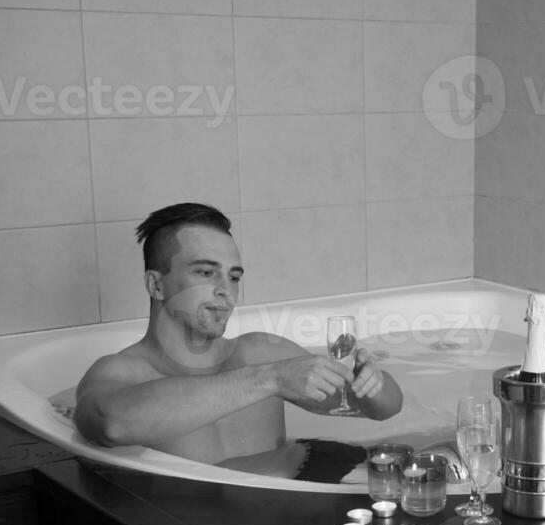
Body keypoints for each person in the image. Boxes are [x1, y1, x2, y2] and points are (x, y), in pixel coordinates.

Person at [75, 203, 402, 477]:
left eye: (233, 276)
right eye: (205, 272)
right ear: (156, 285)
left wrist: (373, 383)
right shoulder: (122, 372)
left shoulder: (258, 350)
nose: (224, 289)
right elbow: (111, 424)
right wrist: (270, 379)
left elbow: (383, 409)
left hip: (287, 508)